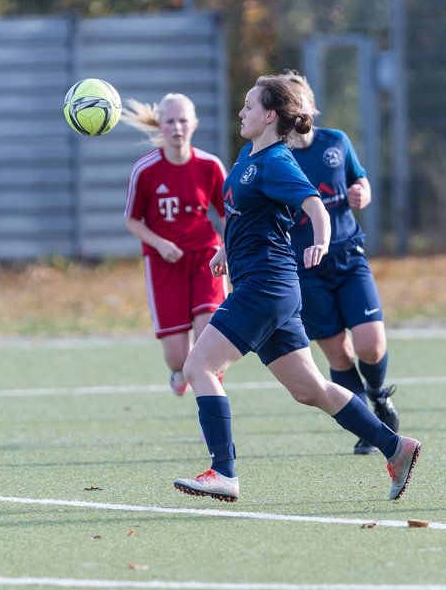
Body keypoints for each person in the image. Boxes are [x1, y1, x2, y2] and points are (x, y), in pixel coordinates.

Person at [172, 75, 421, 502]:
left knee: (199, 368)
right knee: (309, 390)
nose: (241, 112)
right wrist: (227, 253)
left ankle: (223, 471)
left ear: (270, 115)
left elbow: (314, 206)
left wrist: (321, 240)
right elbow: (247, 216)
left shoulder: (277, 162)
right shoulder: (249, 155)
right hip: (267, 285)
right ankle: (396, 447)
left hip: (266, 286)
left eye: (249, 106)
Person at [281, 71, 400, 455]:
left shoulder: (335, 142)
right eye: (288, 106)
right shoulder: (276, 158)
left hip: (348, 255)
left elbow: (359, 181)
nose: (296, 112)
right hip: (306, 267)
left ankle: (379, 395)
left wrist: (361, 193)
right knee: (338, 353)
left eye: (300, 103)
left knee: (371, 345)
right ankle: (365, 422)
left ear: (311, 107)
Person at [124, 94, 228, 397]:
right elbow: (132, 220)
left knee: (211, 340)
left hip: (206, 258)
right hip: (164, 263)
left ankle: (211, 416)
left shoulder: (209, 166)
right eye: (170, 121)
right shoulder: (145, 170)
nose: (178, 127)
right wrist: (160, 243)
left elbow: (228, 215)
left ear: (194, 124)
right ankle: (178, 373)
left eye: (183, 120)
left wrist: (227, 249)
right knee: (177, 358)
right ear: (160, 126)